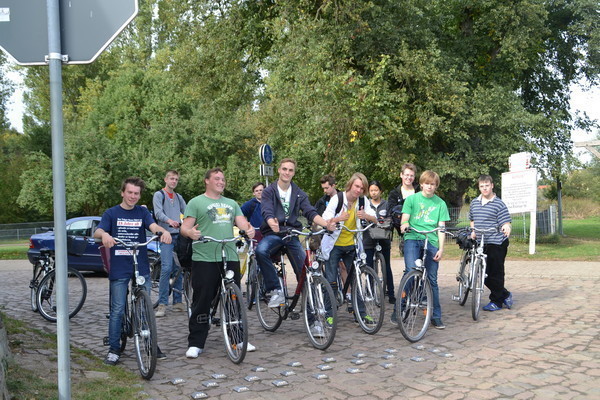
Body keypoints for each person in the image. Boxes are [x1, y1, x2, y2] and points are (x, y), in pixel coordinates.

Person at [94, 177, 172, 366]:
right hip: (119, 266)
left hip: (140, 266)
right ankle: (114, 349)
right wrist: (105, 234)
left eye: (136, 193)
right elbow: (98, 231)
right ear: (123, 192)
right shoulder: (111, 213)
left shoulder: (142, 212)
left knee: (145, 307)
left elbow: (153, 226)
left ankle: (150, 343)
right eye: (129, 192)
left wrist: (163, 232)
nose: (133, 196)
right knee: (117, 309)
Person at [180, 168, 256, 358]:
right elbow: (185, 228)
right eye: (217, 179)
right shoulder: (196, 202)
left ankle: (237, 337)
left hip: (229, 255)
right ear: (207, 181)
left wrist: (249, 229)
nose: (221, 182)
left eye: (223, 179)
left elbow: (242, 223)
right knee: (202, 300)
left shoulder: (231, 203)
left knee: (233, 298)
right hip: (204, 257)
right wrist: (190, 233)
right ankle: (196, 342)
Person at [255, 158, 331, 310]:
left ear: (294, 173)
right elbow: (266, 210)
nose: (287, 172)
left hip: (291, 234)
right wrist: (271, 222)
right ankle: (276, 290)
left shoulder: (298, 193)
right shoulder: (269, 191)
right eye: (284, 169)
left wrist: (326, 224)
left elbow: (310, 211)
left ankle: (312, 315)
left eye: (290, 170)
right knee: (261, 251)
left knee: (305, 272)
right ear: (279, 170)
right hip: (273, 233)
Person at [392, 170, 450, 329]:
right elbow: (405, 218)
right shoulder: (412, 199)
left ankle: (435, 315)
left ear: (436, 186)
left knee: (432, 279)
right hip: (413, 237)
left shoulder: (440, 204)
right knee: (410, 271)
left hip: (431, 240)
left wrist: (441, 248)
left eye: (432, 184)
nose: (429, 187)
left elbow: (441, 228)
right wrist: (404, 225)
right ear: (422, 184)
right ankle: (399, 309)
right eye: (426, 183)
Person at [321, 173, 377, 323]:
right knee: (331, 281)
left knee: (355, 280)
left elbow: (375, 218)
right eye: (356, 186)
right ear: (350, 185)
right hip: (334, 245)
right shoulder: (338, 199)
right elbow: (325, 219)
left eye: (362, 188)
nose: (358, 190)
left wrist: (366, 215)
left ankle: (361, 314)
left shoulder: (363, 201)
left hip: (352, 245)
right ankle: (329, 314)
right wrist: (338, 219)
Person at [469, 175, 513, 311]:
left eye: (487, 185)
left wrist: (506, 226)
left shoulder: (499, 203)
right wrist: (473, 231)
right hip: (481, 242)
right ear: (479, 187)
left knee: (495, 273)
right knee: (481, 273)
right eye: (482, 186)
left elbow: (506, 221)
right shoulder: (474, 203)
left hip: (496, 242)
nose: (485, 188)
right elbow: (472, 219)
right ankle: (505, 294)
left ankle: (496, 301)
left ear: (492, 186)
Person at [153, 170, 187, 317]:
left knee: (179, 268)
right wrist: (169, 221)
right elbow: (158, 213)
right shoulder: (159, 195)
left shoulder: (179, 197)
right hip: (165, 236)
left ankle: (178, 301)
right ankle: (162, 304)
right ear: (165, 179)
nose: (174, 181)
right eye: (171, 179)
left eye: (176, 179)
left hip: (178, 236)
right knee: (166, 269)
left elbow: (188, 212)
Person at [363, 180, 394, 304]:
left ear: (380, 191)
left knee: (386, 266)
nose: (374, 193)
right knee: (369, 267)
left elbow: (390, 218)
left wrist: (385, 221)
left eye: (376, 190)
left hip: (383, 238)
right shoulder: (365, 204)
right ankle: (369, 291)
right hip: (368, 239)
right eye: (371, 190)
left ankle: (391, 293)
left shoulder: (386, 204)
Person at [387, 163, 420, 253]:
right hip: (404, 231)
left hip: (420, 228)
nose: (409, 178)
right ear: (401, 175)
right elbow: (391, 211)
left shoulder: (419, 191)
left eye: (411, 175)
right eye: (406, 175)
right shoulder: (394, 193)